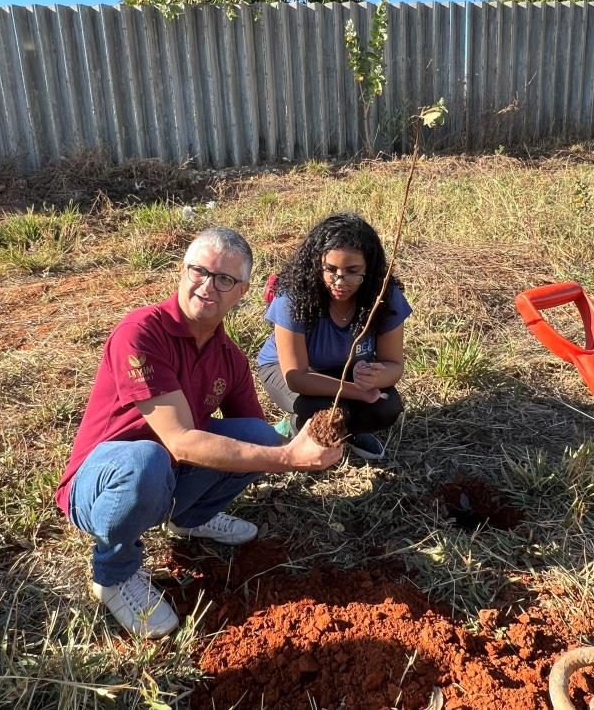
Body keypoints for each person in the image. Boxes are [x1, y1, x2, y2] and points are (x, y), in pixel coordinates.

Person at [56, 227, 341, 639]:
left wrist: (312, 442)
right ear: (181, 271)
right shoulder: (141, 332)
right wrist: (288, 458)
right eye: (199, 271)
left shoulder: (230, 359)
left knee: (256, 435)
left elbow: (260, 438)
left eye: (224, 279)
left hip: (168, 477)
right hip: (104, 482)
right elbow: (181, 441)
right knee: (146, 459)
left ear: (241, 291)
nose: (207, 286)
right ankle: (113, 574)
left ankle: (192, 518)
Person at [257, 213, 411, 459]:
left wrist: (375, 377)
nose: (339, 281)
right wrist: (358, 392)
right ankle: (296, 427)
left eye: (352, 271)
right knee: (323, 411)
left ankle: (348, 430)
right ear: (316, 263)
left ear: (369, 269)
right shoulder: (293, 296)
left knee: (386, 407)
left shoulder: (384, 296)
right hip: (291, 371)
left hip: (344, 368)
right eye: (330, 269)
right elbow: (297, 377)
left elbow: (395, 367)